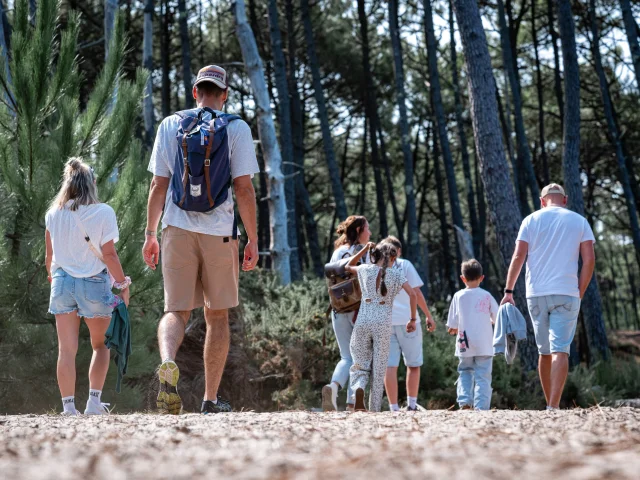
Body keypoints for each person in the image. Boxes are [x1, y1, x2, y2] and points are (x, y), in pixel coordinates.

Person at [143, 65, 259, 415]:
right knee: (217, 316)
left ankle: (168, 361)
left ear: (195, 91)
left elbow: (158, 186)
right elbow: (243, 188)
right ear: (224, 94)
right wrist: (253, 238)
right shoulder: (236, 127)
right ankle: (210, 399)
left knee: (175, 310)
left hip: (175, 227)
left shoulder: (169, 124)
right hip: (220, 232)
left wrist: (150, 234)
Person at [45, 158, 131, 416]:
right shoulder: (103, 212)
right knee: (100, 346)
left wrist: (56, 281)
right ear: (92, 183)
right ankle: (93, 403)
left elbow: (48, 258)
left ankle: (68, 407)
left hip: (61, 282)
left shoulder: (52, 214)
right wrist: (122, 283)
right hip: (94, 282)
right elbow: (110, 255)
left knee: (66, 350)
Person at [501, 183, 596, 410]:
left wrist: (508, 291)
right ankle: (553, 406)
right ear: (564, 200)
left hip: (536, 294)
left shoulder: (530, 220)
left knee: (544, 352)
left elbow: (518, 257)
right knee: (560, 349)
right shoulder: (579, 221)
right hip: (567, 292)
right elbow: (589, 261)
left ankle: (550, 406)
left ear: (542, 201)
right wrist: (579, 291)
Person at [346, 241, 417, 412]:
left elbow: (348, 266)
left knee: (359, 362)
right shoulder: (397, 274)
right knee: (379, 368)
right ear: (393, 257)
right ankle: (374, 409)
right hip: (383, 323)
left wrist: (365, 248)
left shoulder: (364, 269)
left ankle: (358, 389)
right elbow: (413, 294)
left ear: (375, 256)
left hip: (363, 320)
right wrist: (412, 319)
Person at [321, 215, 372, 411]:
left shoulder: (338, 252)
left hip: (338, 308)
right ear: (359, 230)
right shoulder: (362, 253)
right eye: (367, 228)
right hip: (358, 309)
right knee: (360, 357)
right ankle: (353, 401)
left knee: (346, 356)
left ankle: (333, 387)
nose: (369, 233)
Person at [381, 236, 436, 412]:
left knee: (389, 366)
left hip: (385, 322)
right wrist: (428, 315)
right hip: (408, 320)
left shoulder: (375, 270)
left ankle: (393, 407)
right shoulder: (405, 265)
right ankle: (411, 405)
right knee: (413, 364)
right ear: (398, 252)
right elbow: (416, 293)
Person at [446, 259, 498, 411]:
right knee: (483, 376)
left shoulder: (458, 296)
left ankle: (465, 402)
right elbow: (497, 317)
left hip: (464, 342)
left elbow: (452, 323)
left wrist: (453, 329)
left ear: (463, 278)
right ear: (482, 277)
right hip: (484, 343)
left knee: (465, 371)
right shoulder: (487, 296)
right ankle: (481, 407)